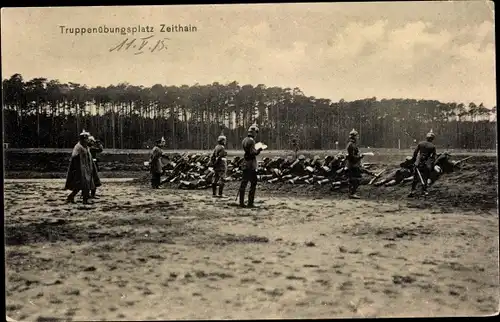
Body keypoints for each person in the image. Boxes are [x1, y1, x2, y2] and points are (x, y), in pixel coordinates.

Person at [65, 130, 95, 204]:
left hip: (87, 168)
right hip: (80, 169)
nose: (87, 140)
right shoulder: (78, 147)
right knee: (80, 184)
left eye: (87, 139)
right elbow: (74, 158)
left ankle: (74, 197)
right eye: (85, 139)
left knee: (86, 184)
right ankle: (81, 198)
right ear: (82, 139)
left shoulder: (86, 147)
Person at [238, 125, 263, 208]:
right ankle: (250, 203)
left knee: (243, 183)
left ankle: (241, 202)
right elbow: (253, 153)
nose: (256, 134)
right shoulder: (252, 141)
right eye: (256, 132)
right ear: (253, 132)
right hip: (250, 164)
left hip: (245, 162)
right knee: (253, 183)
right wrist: (259, 150)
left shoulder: (244, 140)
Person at [408, 130, 437, 197]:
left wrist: (414, 160)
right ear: (432, 139)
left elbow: (415, 153)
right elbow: (433, 157)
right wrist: (432, 165)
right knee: (425, 177)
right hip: (426, 163)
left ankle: (413, 190)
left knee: (415, 177)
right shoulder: (432, 146)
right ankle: (424, 190)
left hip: (419, 162)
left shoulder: (420, 144)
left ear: (426, 137)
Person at [346, 128, 364, 199]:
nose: (358, 137)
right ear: (354, 137)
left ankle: (351, 193)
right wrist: (360, 156)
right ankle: (352, 193)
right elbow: (352, 157)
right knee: (356, 179)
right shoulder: (351, 145)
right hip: (353, 165)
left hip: (353, 164)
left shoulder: (352, 144)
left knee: (354, 179)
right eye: (357, 136)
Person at [211, 133, 228, 198]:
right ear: (223, 141)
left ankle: (214, 193)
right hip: (221, 165)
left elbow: (213, 156)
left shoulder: (216, 147)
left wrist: (213, 164)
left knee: (215, 179)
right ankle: (220, 194)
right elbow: (220, 157)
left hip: (216, 166)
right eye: (224, 140)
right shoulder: (222, 147)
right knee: (222, 179)